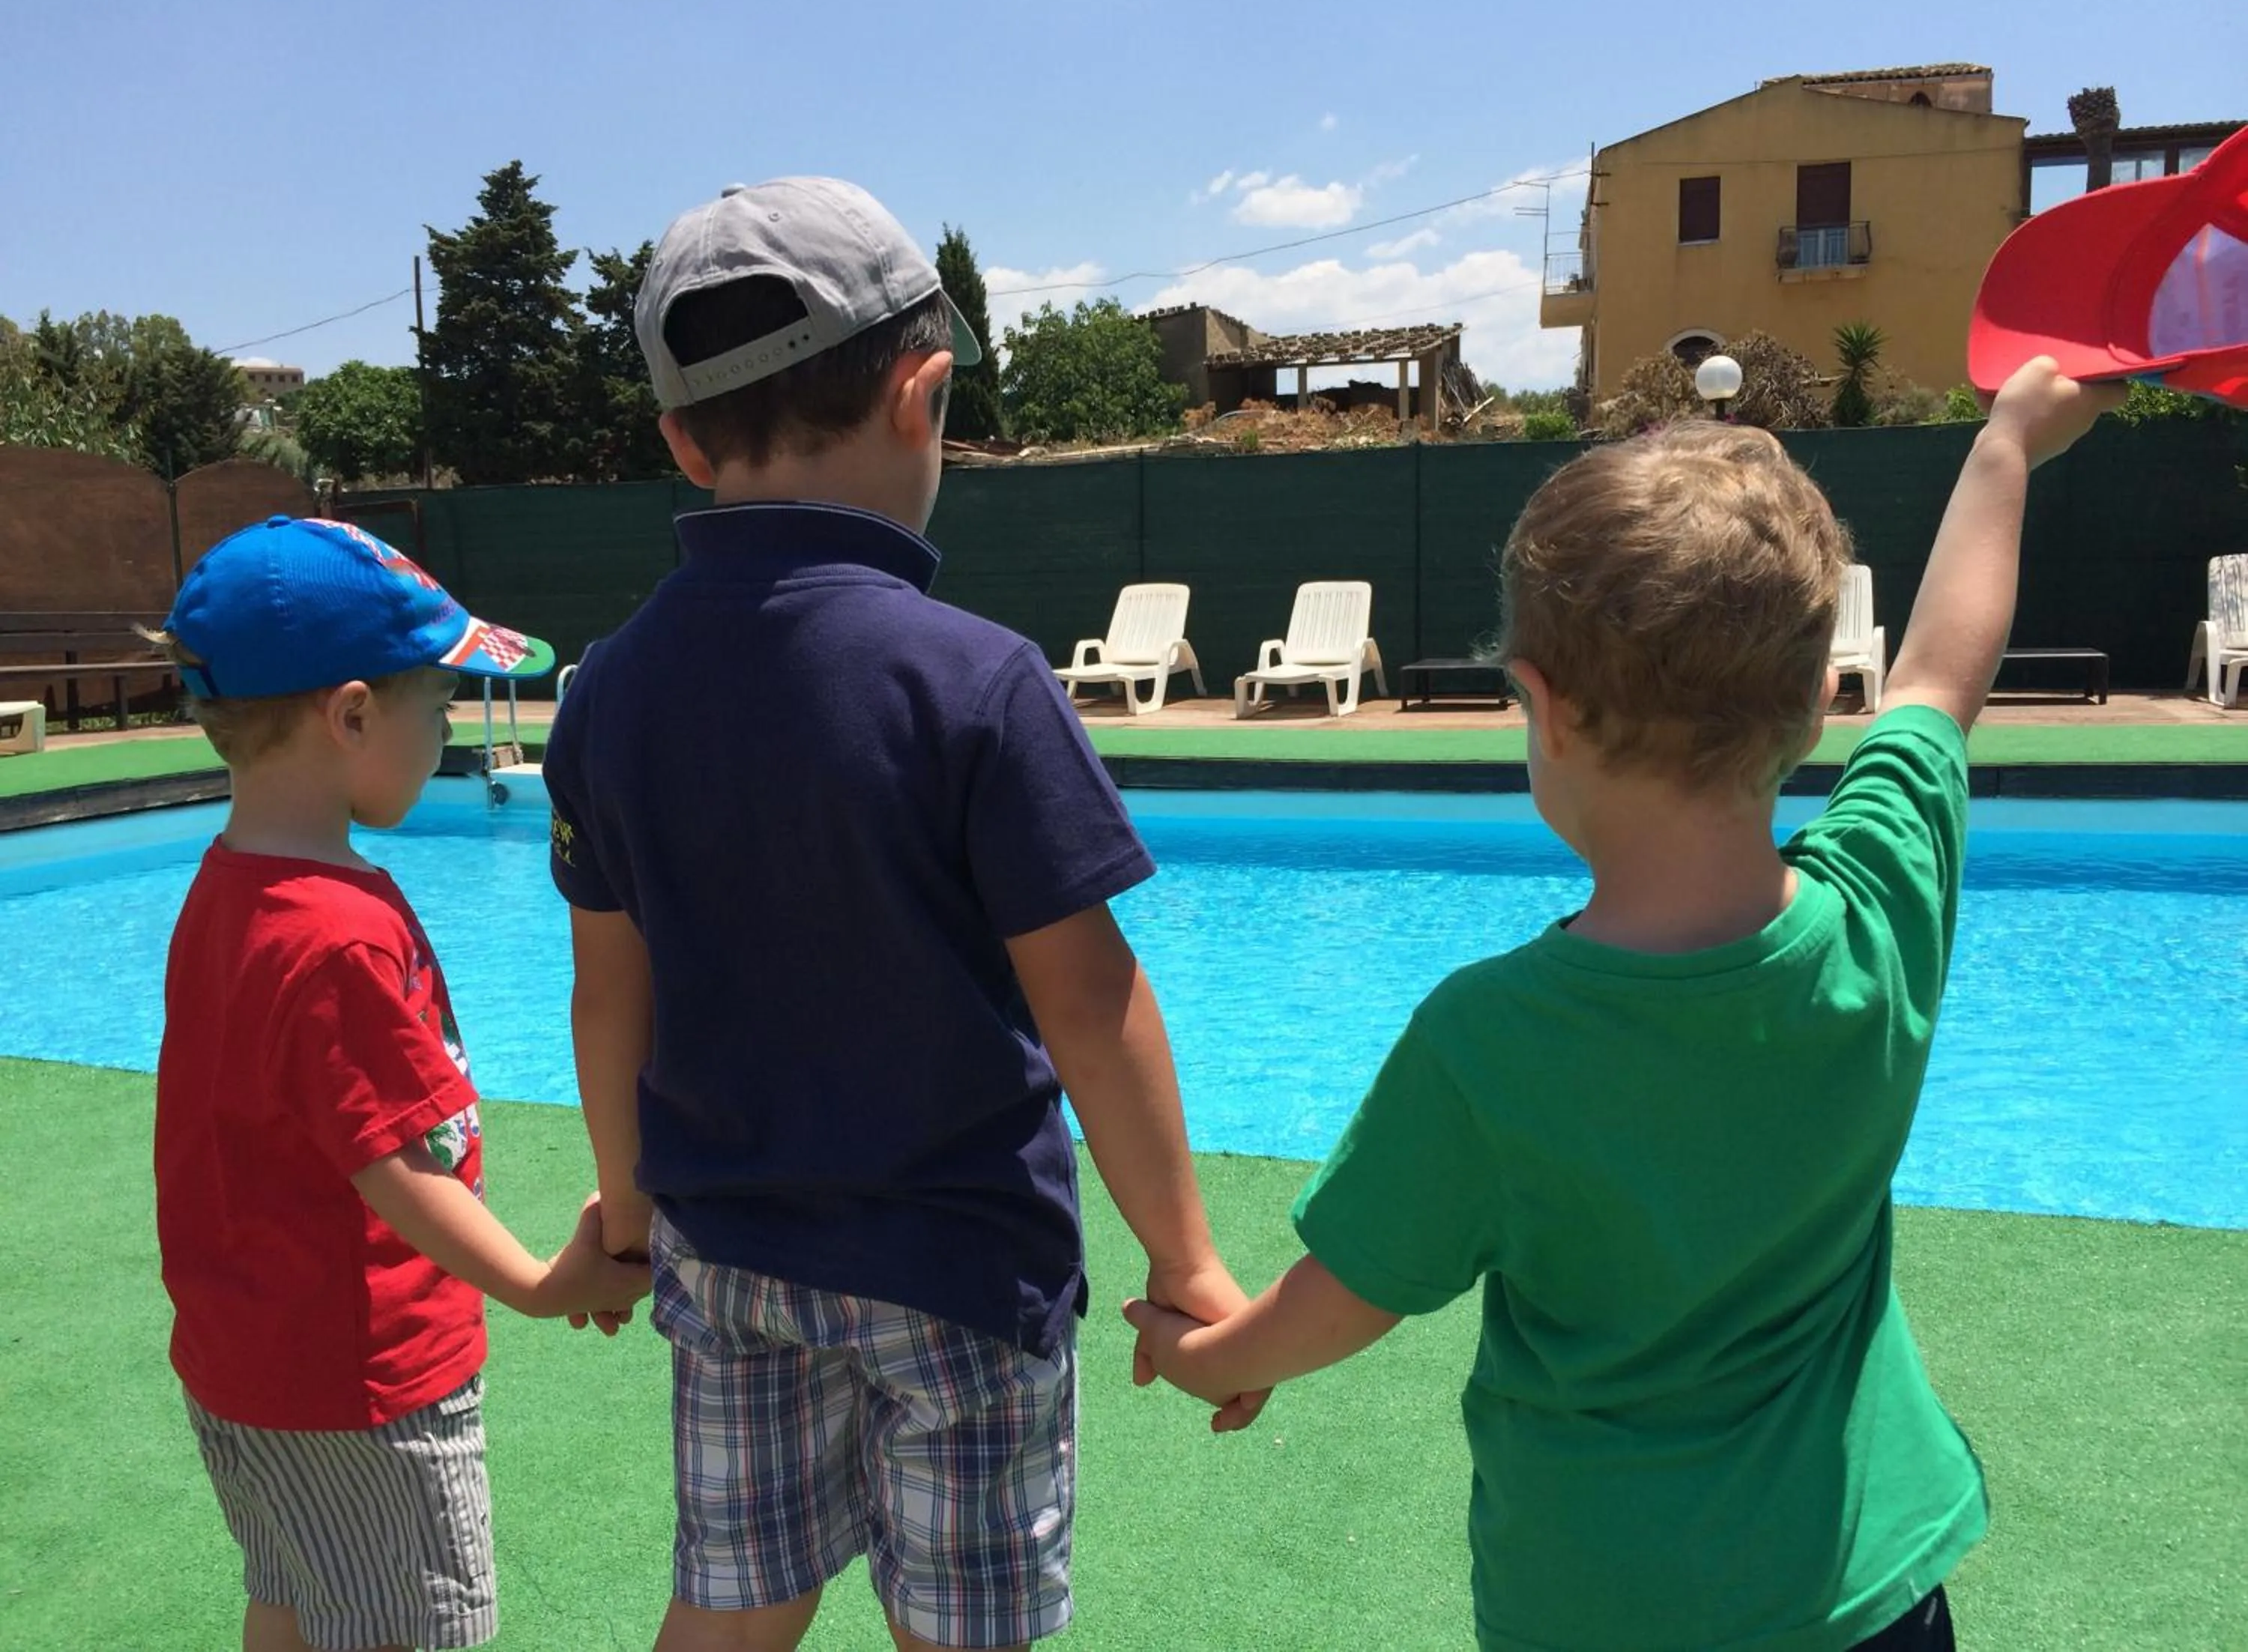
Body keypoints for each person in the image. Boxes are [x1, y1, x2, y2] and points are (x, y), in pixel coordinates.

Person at [1125, 359, 2123, 1651]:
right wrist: (2006, 448)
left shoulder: (1487, 1043)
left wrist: (1213, 1355)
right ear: (1821, 703)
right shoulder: (1881, 910)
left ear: (1540, 706)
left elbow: (1347, 1297)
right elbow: (1939, 679)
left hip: (1602, 1605)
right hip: (1864, 1586)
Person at [541, 178, 1256, 1652]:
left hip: (727, 1256)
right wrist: (1186, 1264)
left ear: (683, 442)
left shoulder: (604, 692)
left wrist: (626, 1216)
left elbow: (610, 996)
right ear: (923, 397)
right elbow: (1088, 1002)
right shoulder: (979, 682)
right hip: (958, 1266)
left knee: (733, 1603)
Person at [153, 516, 653, 1652]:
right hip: (364, 1378)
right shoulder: (336, 934)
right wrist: (542, 1283)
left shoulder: (228, 891)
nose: (449, 732)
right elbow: (395, 1168)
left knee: (294, 1593)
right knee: (409, 1626)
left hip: (247, 1358)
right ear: (350, 715)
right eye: (439, 703)